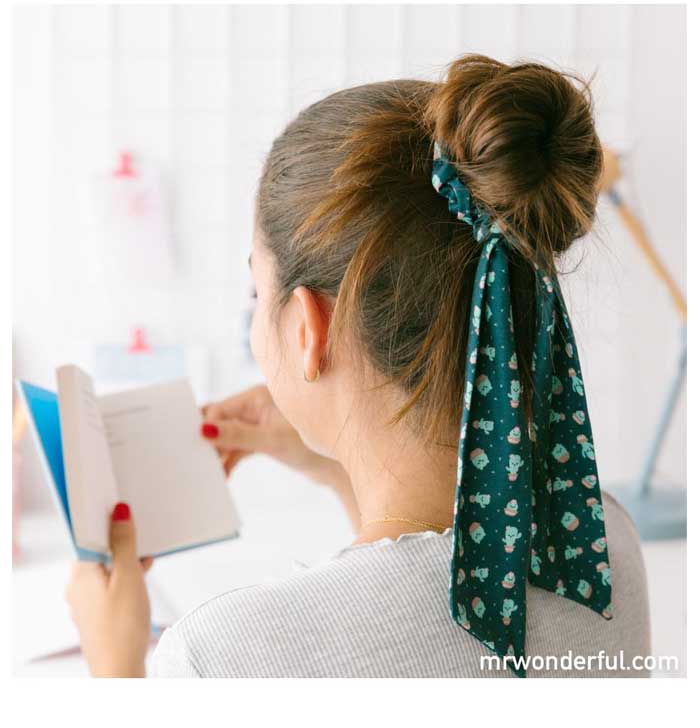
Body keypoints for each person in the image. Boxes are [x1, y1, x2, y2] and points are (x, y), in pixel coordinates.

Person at [66, 54, 651, 678]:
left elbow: (389, 625)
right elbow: (413, 620)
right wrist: (337, 465)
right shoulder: (599, 546)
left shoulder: (220, 657)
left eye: (257, 292)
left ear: (308, 330)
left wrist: (113, 666)